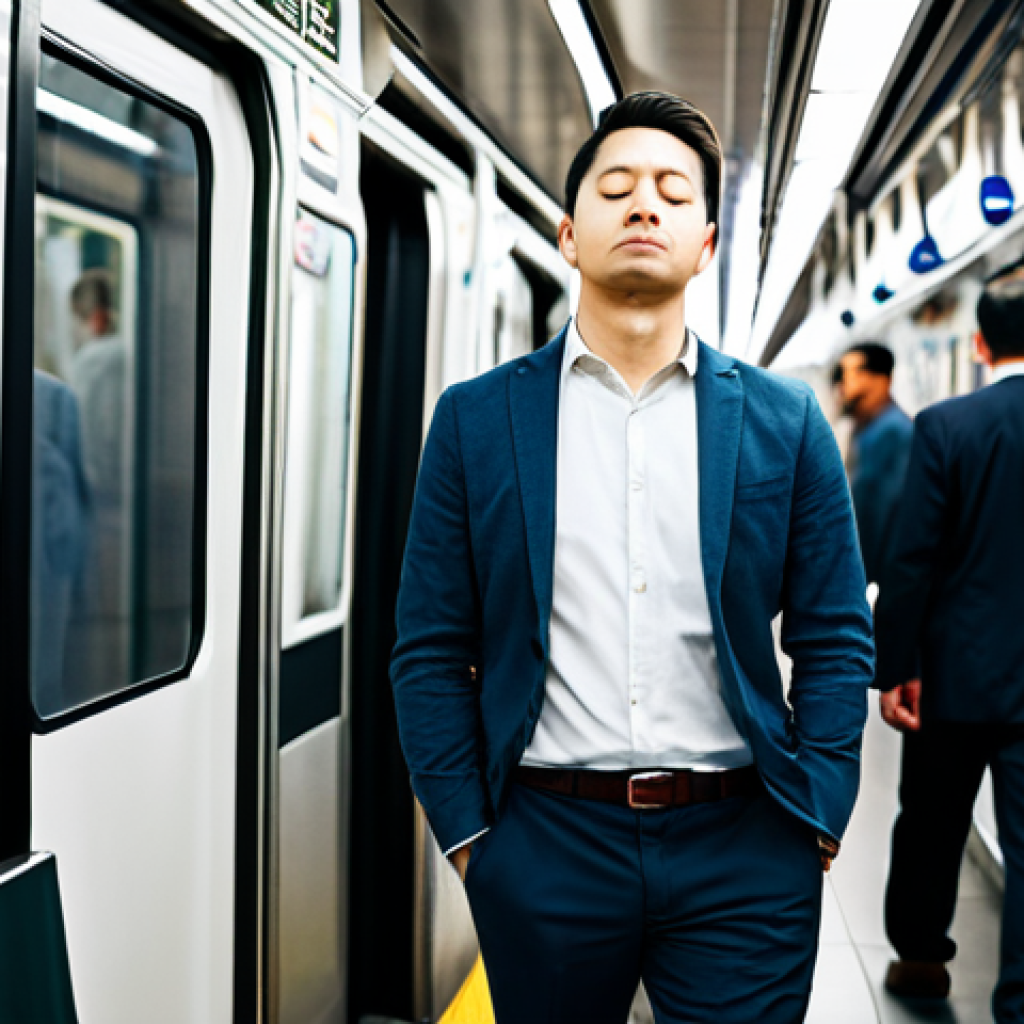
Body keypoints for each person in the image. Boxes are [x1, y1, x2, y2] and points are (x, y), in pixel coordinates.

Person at [391, 92, 873, 1024]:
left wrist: (819, 804)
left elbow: (835, 631)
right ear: (571, 236)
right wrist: (468, 835)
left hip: (747, 841)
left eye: (671, 192)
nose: (643, 205)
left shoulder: (785, 422)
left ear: (705, 243)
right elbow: (429, 644)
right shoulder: (476, 421)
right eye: (616, 189)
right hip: (543, 839)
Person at [874, 264, 1024, 1017]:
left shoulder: (947, 427)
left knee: (931, 821)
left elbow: (912, 560)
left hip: (951, 673)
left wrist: (895, 665)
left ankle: (921, 958)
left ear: (979, 342)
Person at [835, 342, 913, 586]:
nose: (845, 384)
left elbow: (880, 511)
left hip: (879, 573)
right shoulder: (870, 428)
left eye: (856, 373)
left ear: (882, 380)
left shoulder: (891, 432)